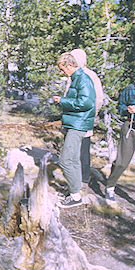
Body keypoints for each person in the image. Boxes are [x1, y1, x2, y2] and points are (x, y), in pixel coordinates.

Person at [54, 52, 96, 208]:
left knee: (65, 161)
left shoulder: (83, 79)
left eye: (62, 69)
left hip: (78, 125)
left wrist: (63, 101)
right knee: (74, 160)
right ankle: (76, 192)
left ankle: (75, 197)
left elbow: (86, 102)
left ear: (69, 65)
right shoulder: (77, 78)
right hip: (76, 123)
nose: (61, 72)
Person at [105, 62, 135, 210]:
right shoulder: (130, 89)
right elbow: (120, 106)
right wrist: (127, 109)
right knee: (122, 161)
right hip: (130, 127)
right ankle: (110, 187)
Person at [69, 49, 104, 191]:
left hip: (84, 119)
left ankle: (83, 180)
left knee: (83, 150)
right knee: (73, 151)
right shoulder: (72, 75)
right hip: (72, 120)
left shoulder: (90, 75)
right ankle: (74, 180)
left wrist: (91, 115)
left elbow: (98, 99)